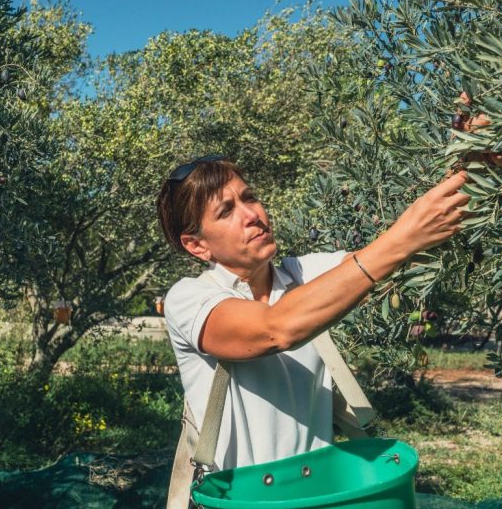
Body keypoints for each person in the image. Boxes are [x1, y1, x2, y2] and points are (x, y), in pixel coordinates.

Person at [156, 154, 469, 472]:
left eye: (249, 197)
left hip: (318, 493)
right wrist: (404, 238)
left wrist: (468, 157)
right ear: (197, 246)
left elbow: (403, 252)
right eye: (227, 211)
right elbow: (274, 330)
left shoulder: (304, 275)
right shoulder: (189, 299)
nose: (252, 214)